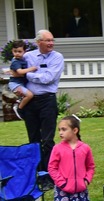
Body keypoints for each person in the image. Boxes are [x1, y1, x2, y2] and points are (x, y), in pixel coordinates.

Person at [21, 30, 64, 173]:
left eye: (52, 40)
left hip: (47, 101)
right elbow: (16, 72)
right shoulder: (28, 56)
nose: (51, 43)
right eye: (47, 40)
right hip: (31, 102)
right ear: (38, 42)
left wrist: (28, 74)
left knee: (47, 140)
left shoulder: (57, 57)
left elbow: (48, 79)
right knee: (33, 139)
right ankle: (36, 172)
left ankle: (49, 173)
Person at [8, 40, 37, 120]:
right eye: (15, 51)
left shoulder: (22, 59)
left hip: (20, 83)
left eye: (19, 51)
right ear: (12, 51)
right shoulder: (15, 61)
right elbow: (20, 72)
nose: (17, 53)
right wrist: (31, 69)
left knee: (28, 95)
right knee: (30, 95)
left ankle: (19, 103)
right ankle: (19, 109)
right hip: (15, 84)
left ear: (24, 51)